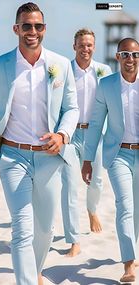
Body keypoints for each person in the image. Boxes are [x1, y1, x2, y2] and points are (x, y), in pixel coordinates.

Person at [0, 2, 79, 285]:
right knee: (22, 229)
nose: (32, 31)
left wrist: (63, 135)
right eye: (26, 26)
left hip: (50, 158)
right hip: (12, 157)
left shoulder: (60, 65)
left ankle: (34, 272)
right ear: (16, 28)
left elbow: (72, 108)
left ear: (44, 29)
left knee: (45, 230)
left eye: (38, 26)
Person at [82, 38, 139, 283]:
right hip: (119, 155)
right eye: (125, 54)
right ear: (117, 57)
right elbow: (95, 124)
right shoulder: (106, 85)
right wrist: (87, 159)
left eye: (135, 55)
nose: (131, 59)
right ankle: (128, 263)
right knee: (125, 206)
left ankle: (134, 251)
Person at [61, 28, 112, 257]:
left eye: (89, 45)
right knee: (70, 187)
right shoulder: (64, 71)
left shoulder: (104, 71)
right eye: (81, 45)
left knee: (96, 182)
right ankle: (74, 240)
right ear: (74, 46)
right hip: (70, 136)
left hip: (95, 135)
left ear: (95, 46)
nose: (85, 49)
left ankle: (92, 210)